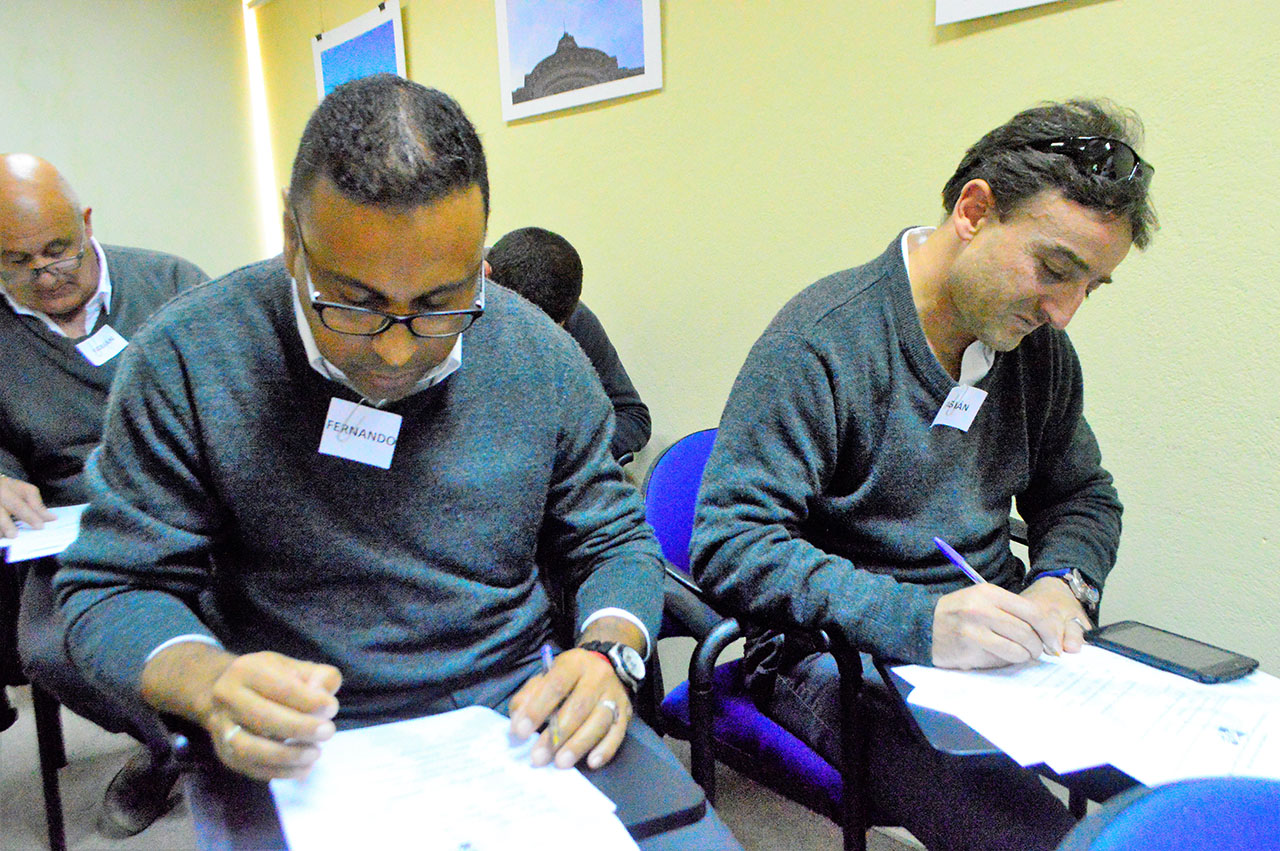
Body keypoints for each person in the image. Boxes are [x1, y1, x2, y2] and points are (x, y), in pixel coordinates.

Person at [55, 76, 738, 847]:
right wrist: (207, 681)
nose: (395, 350)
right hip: (294, 729)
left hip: (517, 712)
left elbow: (611, 538)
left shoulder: (540, 354)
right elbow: (111, 584)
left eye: (441, 304)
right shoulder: (187, 358)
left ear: (481, 259)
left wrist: (611, 650)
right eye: (355, 303)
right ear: (292, 238)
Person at [690, 99, 1157, 851]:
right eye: (1054, 270)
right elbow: (730, 543)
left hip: (1003, 648)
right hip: (837, 654)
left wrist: (1061, 583)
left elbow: (1081, 494)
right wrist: (922, 622)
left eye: (1090, 286)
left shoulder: (1039, 353)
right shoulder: (822, 341)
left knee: (1194, 791)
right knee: (1035, 839)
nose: (1065, 312)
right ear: (974, 211)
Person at [0, 153, 208, 836]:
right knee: (48, 648)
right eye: (15, 262)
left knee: (262, 603)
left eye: (57, 250)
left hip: (190, 511)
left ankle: (201, 740)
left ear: (86, 223)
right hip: (71, 529)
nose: (44, 275)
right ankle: (177, 746)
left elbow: (244, 394)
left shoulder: (172, 284)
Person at [486, 226, 651, 461]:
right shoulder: (443, 315)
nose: (536, 344)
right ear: (487, 282)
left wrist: (570, 457)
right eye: (524, 330)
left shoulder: (574, 318)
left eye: (552, 333)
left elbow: (632, 416)